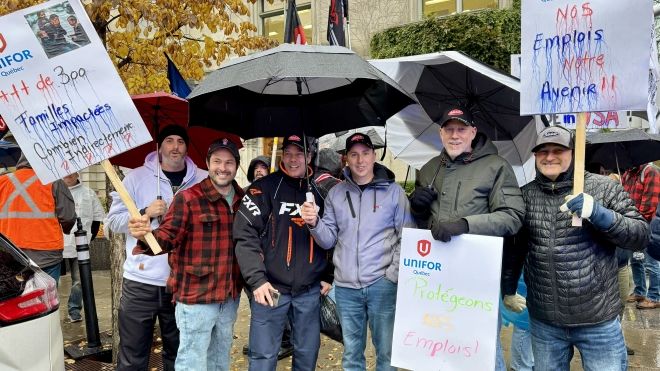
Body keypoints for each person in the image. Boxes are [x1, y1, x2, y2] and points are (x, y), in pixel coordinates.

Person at [501, 125, 649, 371]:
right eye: (542, 151)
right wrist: (508, 288)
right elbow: (516, 249)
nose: (549, 157)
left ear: (573, 152)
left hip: (598, 320)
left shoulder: (604, 188)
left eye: (557, 150)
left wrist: (598, 213)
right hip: (545, 322)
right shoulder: (524, 196)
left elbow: (640, 235)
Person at [408, 106, 525, 370]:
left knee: (479, 350)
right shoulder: (428, 169)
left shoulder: (496, 167)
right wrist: (417, 208)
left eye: (461, 129)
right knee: (439, 348)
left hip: (477, 281)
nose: (455, 135)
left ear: (473, 132)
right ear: (440, 133)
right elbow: (424, 224)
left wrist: (464, 225)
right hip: (437, 279)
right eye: (449, 129)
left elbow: (512, 216)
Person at [301, 133, 415, 371]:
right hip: (346, 289)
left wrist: (391, 277)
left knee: (386, 353)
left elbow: (407, 236)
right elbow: (328, 239)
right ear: (346, 159)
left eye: (365, 153)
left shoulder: (394, 193)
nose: (360, 160)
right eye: (354, 154)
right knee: (352, 354)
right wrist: (314, 223)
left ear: (374, 156)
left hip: (382, 285)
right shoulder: (336, 194)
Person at [128, 138, 244, 370]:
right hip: (196, 296)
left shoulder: (243, 200)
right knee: (192, 361)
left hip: (229, 295)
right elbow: (167, 238)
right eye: (217, 161)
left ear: (236, 166)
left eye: (229, 162)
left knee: (220, 359)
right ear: (208, 164)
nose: (223, 167)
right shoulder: (189, 198)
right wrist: (144, 235)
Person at [106, 125, 207, 371]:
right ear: (159, 147)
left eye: (180, 141)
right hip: (141, 282)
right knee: (133, 354)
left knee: (179, 353)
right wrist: (146, 214)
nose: (175, 147)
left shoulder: (203, 179)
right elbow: (113, 221)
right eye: (169, 141)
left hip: (183, 282)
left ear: (186, 146)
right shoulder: (135, 177)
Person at [234, 134, 333, 371]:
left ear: (309, 156)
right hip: (271, 290)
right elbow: (244, 236)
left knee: (307, 355)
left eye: (299, 153)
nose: (293, 159)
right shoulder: (263, 189)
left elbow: (339, 234)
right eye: (287, 153)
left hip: (310, 291)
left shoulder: (324, 190)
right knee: (263, 357)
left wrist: (329, 274)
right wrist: (257, 281)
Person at [0, 154, 76, 284]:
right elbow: (68, 217)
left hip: (10, 254)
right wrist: (66, 229)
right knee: (47, 300)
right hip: (47, 253)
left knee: (15, 298)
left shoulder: (3, 181)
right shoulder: (54, 182)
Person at [61, 172, 105, 323]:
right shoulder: (53, 191)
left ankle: (74, 310)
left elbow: (97, 218)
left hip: (79, 246)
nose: (68, 175)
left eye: (71, 171)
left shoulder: (88, 193)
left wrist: (88, 239)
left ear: (77, 172)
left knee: (78, 281)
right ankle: (50, 313)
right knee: (52, 282)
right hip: (56, 245)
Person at [621, 163, 660, 309]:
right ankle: (640, 292)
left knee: (651, 262)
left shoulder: (650, 171)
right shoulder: (628, 173)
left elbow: (649, 206)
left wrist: (634, 223)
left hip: (647, 224)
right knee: (636, 259)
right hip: (632, 222)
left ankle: (655, 297)